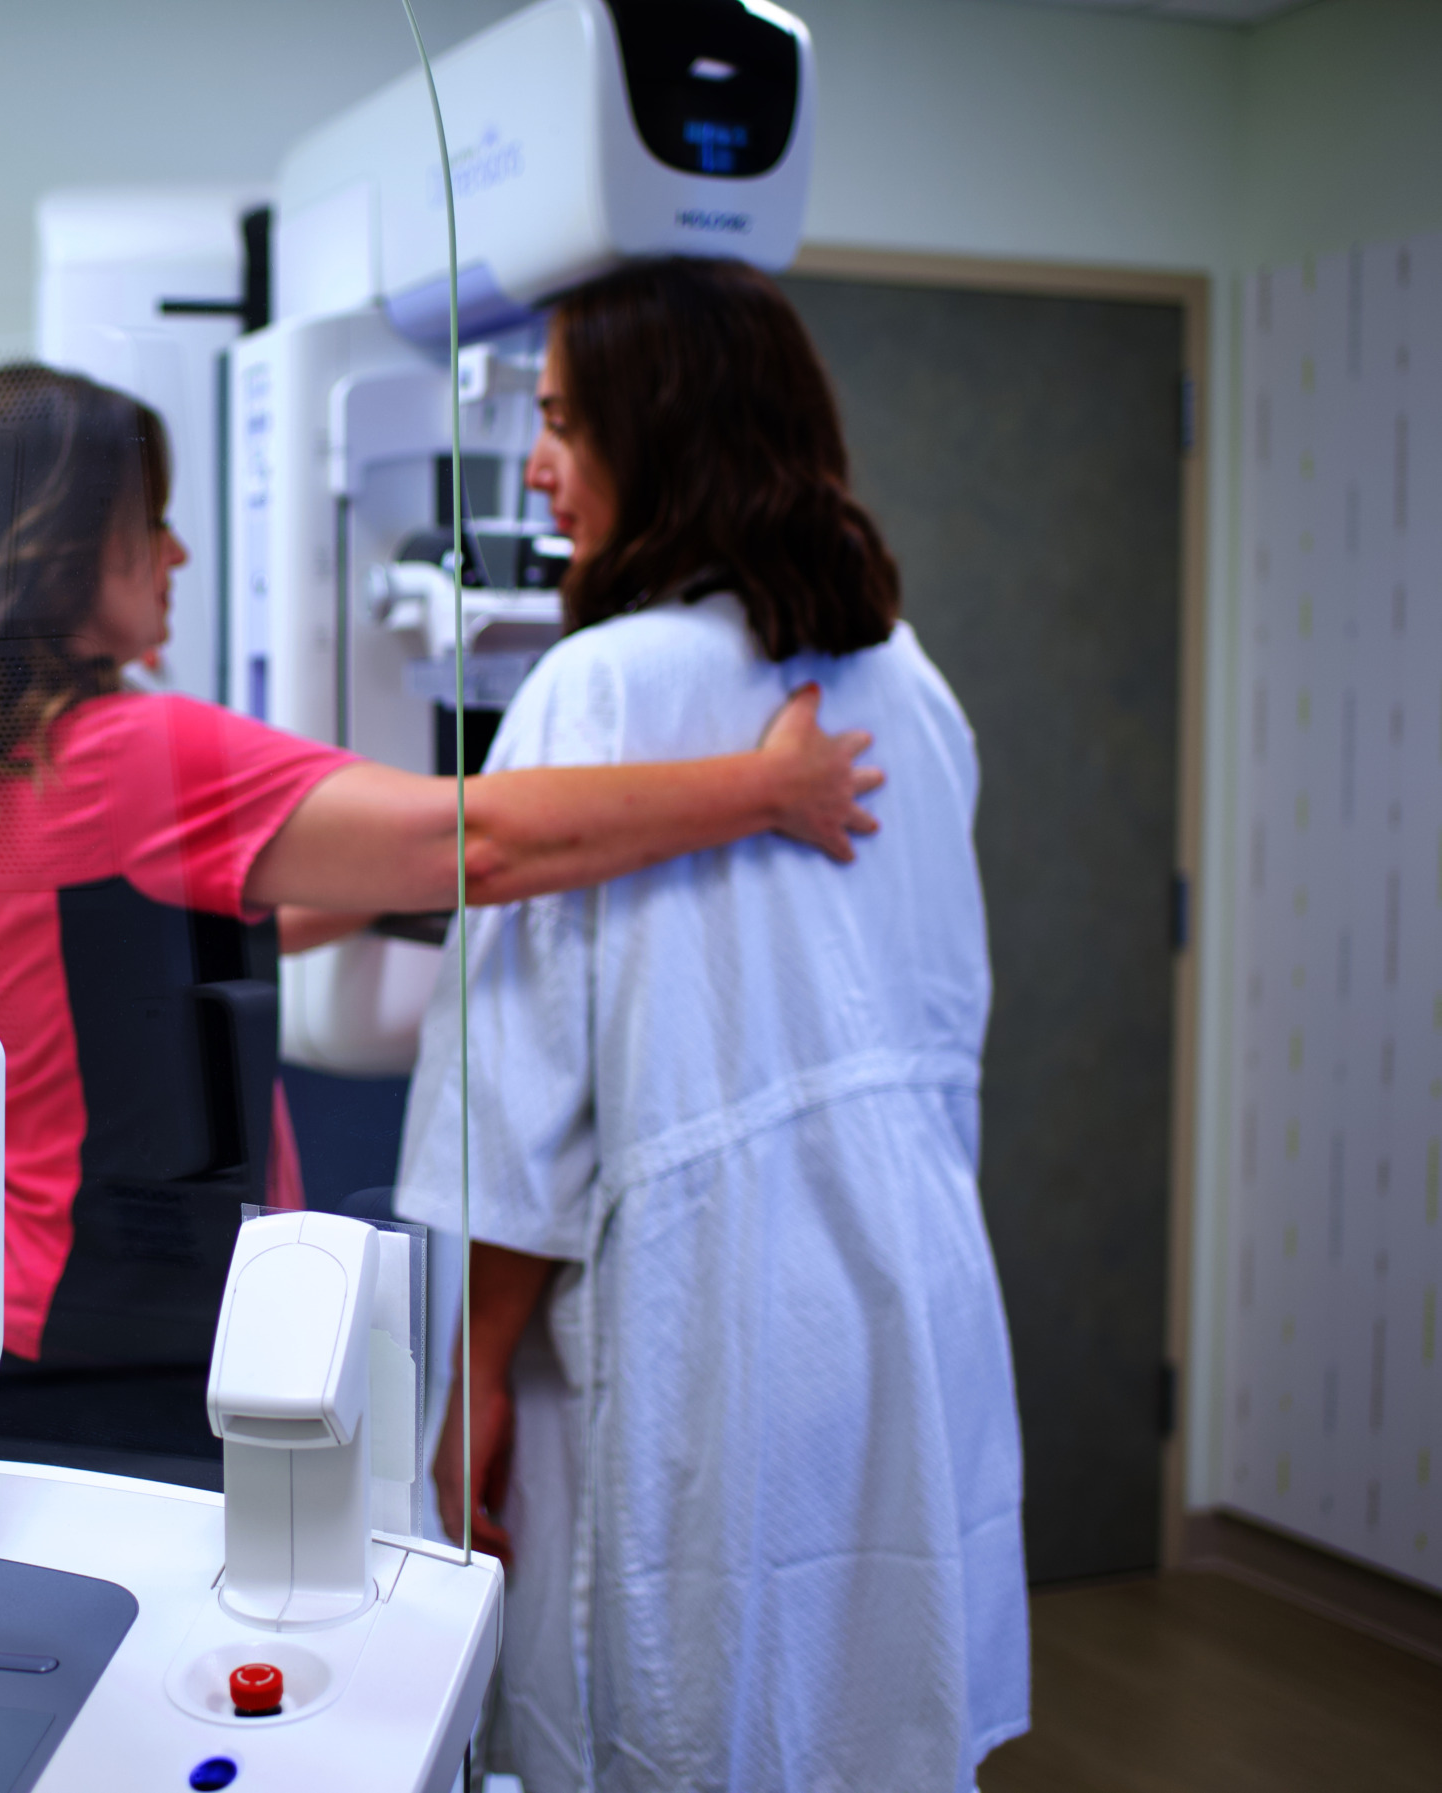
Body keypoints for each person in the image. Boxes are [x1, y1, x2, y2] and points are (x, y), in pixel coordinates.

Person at [0, 362, 886, 1479]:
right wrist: (769, 788)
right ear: (67, 542)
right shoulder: (129, 754)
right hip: (126, 1366)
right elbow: (472, 839)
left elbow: (160, 958)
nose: (177, 552)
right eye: (151, 523)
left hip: (13, 1346)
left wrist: (403, 884)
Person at [398, 258, 1030, 1791]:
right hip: (901, 1295)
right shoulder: (910, 685)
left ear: (657, 424)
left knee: (678, 1717)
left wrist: (468, 1377)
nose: (537, 465)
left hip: (707, 1319)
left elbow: (520, 1097)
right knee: (877, 1698)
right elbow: (948, 1018)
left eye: (560, 420)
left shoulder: (602, 685)